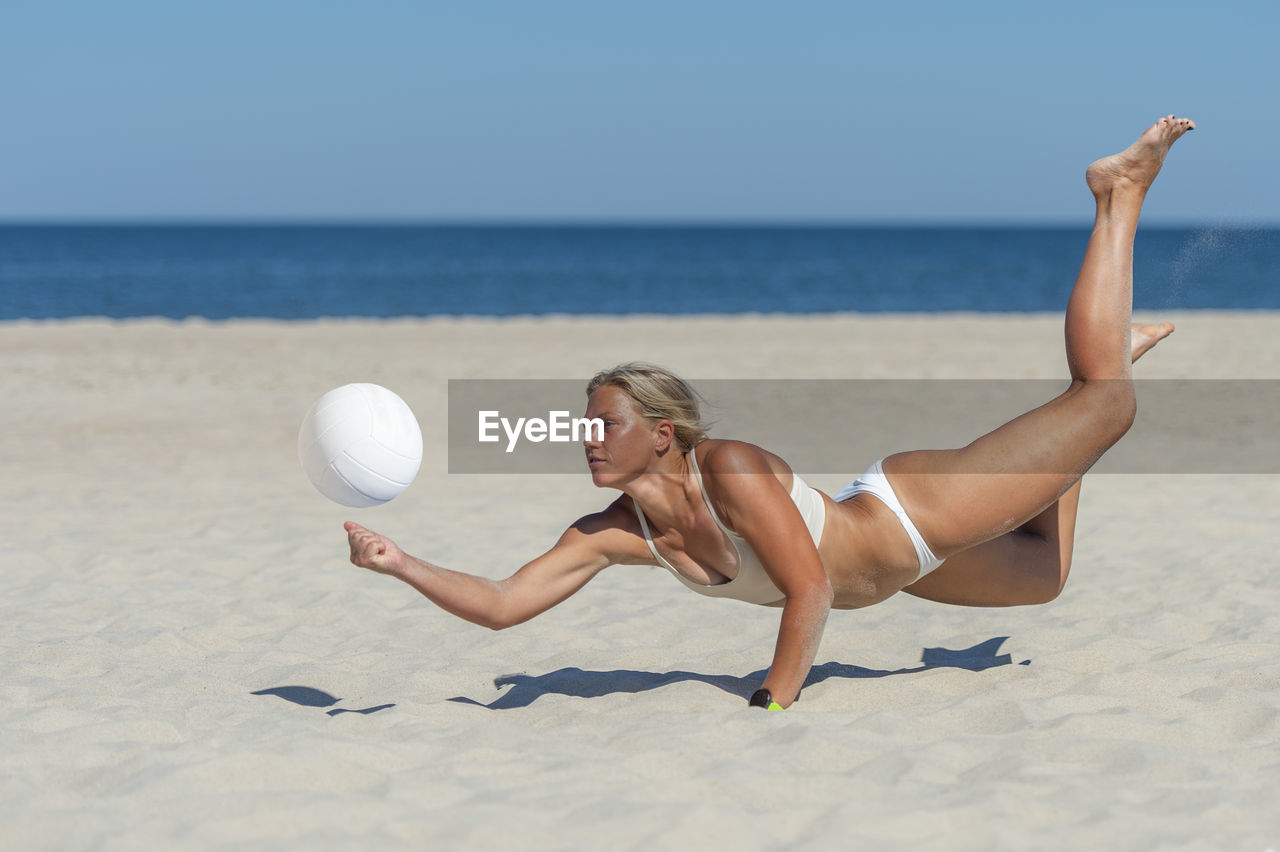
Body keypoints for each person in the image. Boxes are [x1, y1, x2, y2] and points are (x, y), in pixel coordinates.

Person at [346, 115, 1196, 710]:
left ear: (663, 434)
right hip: (906, 576)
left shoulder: (731, 468)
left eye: (605, 423)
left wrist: (776, 702)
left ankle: (1116, 194)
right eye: (585, 424)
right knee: (1045, 579)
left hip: (912, 518)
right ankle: (1090, 387)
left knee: (1106, 403)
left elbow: (812, 588)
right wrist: (400, 563)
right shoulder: (613, 532)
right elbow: (502, 603)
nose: (587, 437)